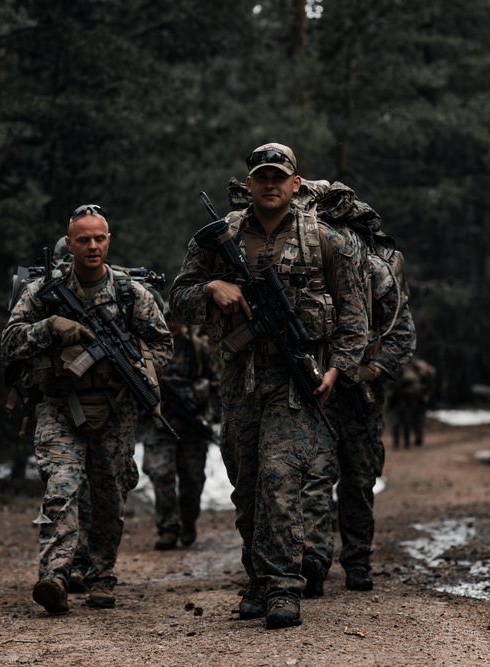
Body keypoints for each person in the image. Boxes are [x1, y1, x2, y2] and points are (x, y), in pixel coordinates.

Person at [169, 143, 367, 630]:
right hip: (238, 379)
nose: (271, 184)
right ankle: (257, 579)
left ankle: (284, 587)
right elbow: (177, 299)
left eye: (280, 176)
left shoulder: (326, 241)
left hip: (295, 381)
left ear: (296, 184)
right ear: (249, 184)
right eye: (262, 176)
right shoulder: (219, 239)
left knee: (281, 482)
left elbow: (354, 319)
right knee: (248, 484)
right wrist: (213, 289)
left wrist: (336, 371)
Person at [1, 204, 173, 615]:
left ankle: (101, 575)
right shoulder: (43, 292)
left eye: (99, 238)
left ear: (109, 240)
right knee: (62, 485)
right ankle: (56, 575)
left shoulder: (132, 294)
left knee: (110, 495)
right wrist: (49, 328)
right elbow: (9, 342)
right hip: (59, 405)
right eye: (84, 239)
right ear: (70, 242)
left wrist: (133, 364)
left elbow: (163, 345)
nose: (92, 246)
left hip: (114, 409)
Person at [294, 180, 417, 596]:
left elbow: (401, 331)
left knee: (359, 479)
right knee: (314, 476)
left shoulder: (375, 270)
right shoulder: (302, 269)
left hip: (360, 395)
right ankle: (313, 561)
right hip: (315, 388)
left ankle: (358, 560)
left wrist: (373, 370)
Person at [143, 309, 220, 550]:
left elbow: (216, 382)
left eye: (176, 319)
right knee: (161, 474)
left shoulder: (197, 348)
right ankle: (168, 529)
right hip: (161, 423)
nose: (172, 324)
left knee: (192, 480)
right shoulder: (149, 349)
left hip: (192, 424)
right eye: (167, 319)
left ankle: (188, 523)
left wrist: (205, 408)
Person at [387, 358, 436, 448]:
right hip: (398, 402)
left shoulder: (411, 377)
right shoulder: (395, 377)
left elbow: (417, 389)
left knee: (409, 422)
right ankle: (397, 441)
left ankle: (407, 441)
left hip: (408, 402)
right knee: (397, 422)